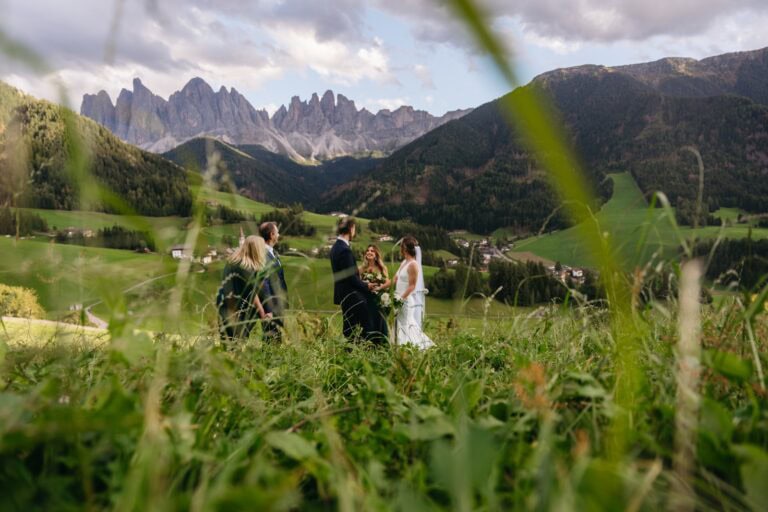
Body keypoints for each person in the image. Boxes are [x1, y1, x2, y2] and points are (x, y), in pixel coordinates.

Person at [216, 235, 272, 342]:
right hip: (237, 311)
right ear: (256, 250)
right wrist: (263, 314)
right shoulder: (247, 269)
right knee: (236, 342)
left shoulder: (233, 262)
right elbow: (252, 293)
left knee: (227, 342)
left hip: (224, 307)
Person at [329, 217, 377, 342]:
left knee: (350, 327)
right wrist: (367, 286)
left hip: (343, 294)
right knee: (365, 327)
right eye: (354, 228)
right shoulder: (345, 250)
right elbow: (351, 278)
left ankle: (350, 350)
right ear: (351, 229)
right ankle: (364, 350)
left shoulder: (335, 247)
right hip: (352, 296)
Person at [393, 236, 434, 349]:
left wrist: (400, 299)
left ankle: (411, 348)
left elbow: (412, 286)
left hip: (405, 301)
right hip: (398, 298)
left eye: (401, 246)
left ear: (405, 248)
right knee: (399, 326)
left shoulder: (413, 264)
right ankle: (401, 349)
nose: (400, 248)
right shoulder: (404, 262)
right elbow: (395, 279)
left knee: (406, 326)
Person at [259, 221, 287, 343]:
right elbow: (264, 283)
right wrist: (268, 309)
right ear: (271, 235)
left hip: (278, 304)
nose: (279, 235)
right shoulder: (264, 255)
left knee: (276, 339)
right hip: (272, 307)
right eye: (277, 232)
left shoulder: (272, 253)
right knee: (271, 340)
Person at [359, 244, 391, 343]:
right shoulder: (361, 269)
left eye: (372, 251)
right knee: (368, 323)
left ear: (376, 254)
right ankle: (367, 345)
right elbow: (358, 284)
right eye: (368, 250)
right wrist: (366, 285)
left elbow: (388, 283)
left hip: (378, 301)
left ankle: (381, 345)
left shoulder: (382, 268)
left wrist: (380, 288)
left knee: (379, 322)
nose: (369, 252)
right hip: (366, 300)